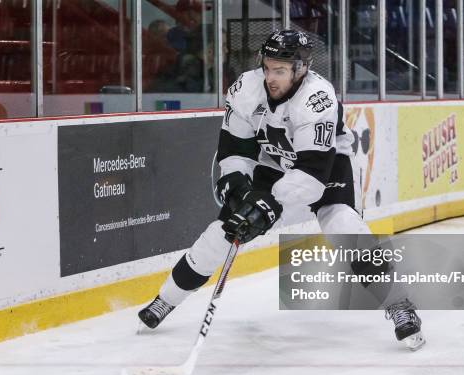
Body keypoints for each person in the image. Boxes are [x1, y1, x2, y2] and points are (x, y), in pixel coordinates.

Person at [138, 30, 426, 351]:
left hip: (325, 164)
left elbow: (311, 178)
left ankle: (400, 305)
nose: (270, 77)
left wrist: (267, 205)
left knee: (343, 225)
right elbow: (235, 150)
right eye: (267, 67)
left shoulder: (318, 99)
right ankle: (165, 300)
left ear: (300, 69)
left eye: (280, 70)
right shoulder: (246, 89)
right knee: (223, 231)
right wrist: (236, 188)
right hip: (273, 162)